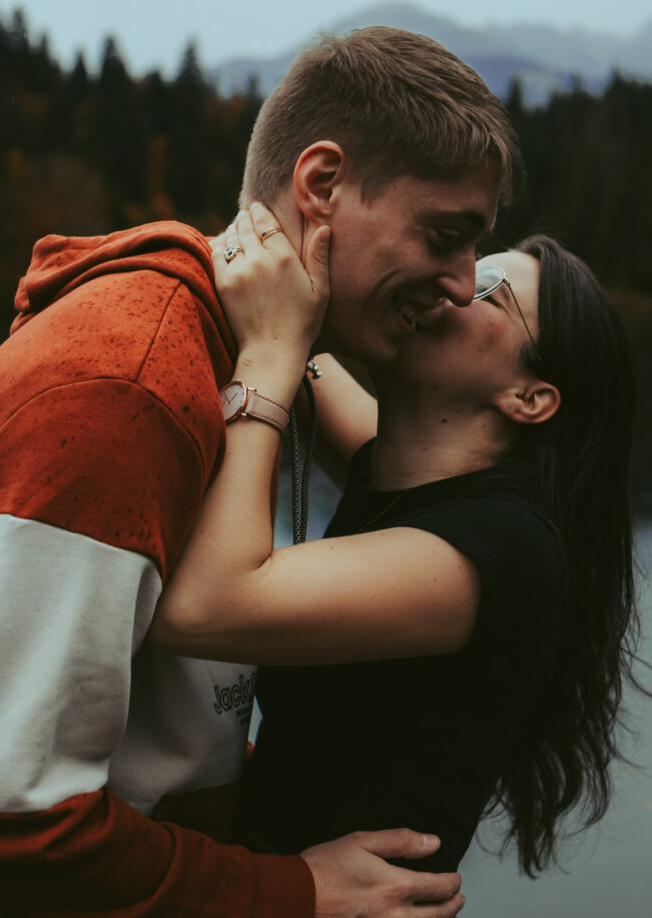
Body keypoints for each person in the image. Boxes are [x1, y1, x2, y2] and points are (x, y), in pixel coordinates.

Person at [0, 27, 521, 917]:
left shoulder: (252, 357)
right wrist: (286, 889)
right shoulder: (126, 385)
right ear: (323, 185)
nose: (461, 286)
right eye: (444, 235)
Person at [151, 207, 637, 881]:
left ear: (528, 397)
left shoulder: (495, 548)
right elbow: (310, 351)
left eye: (488, 284)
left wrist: (268, 354)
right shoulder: (402, 471)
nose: (456, 284)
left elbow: (204, 605)